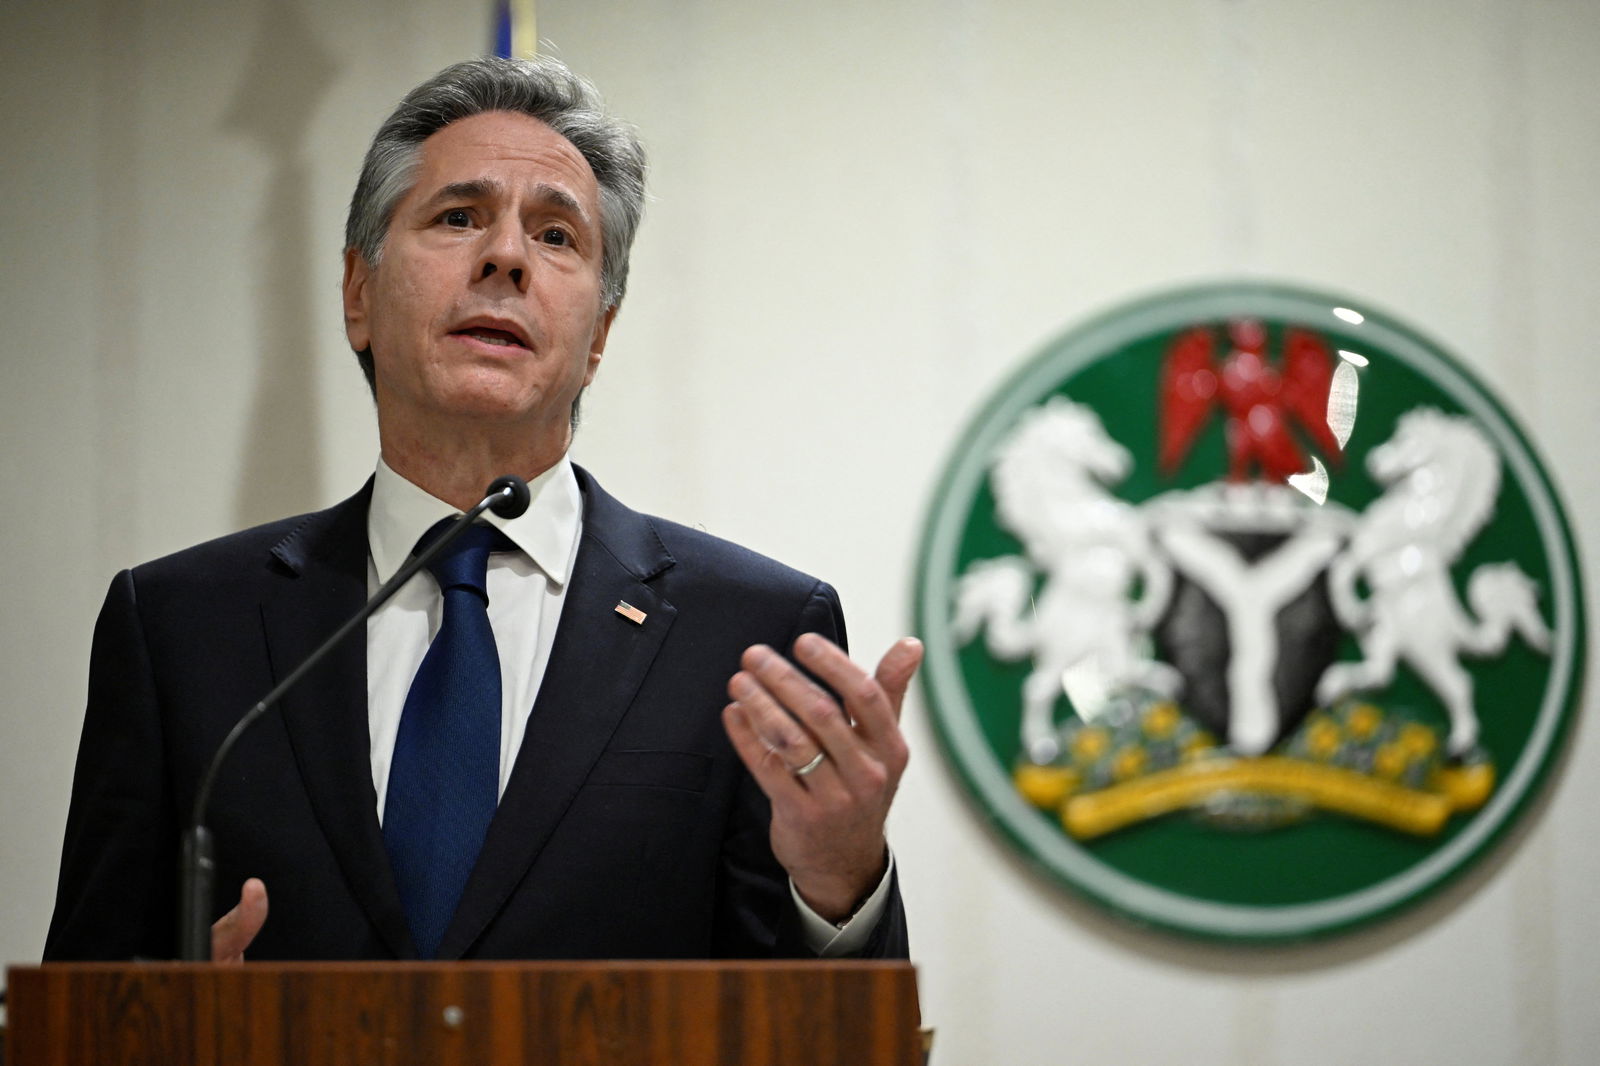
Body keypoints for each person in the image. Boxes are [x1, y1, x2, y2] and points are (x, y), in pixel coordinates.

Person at [44, 55, 919, 963]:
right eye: (458, 217)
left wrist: (838, 881)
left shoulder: (749, 633)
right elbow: (79, 1007)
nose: (505, 256)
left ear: (598, 340)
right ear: (358, 294)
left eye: (555, 236)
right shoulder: (183, 629)